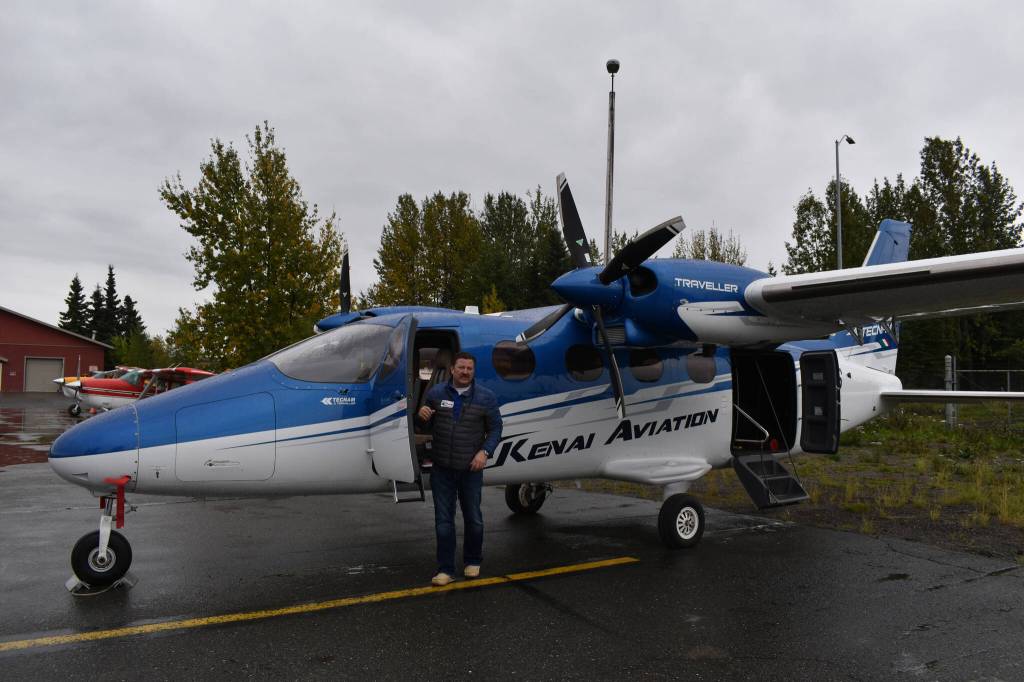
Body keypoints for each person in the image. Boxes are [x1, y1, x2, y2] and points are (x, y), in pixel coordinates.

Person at [417, 351, 502, 586]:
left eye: (469, 369)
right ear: (452, 369)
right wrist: (421, 416)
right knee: (443, 522)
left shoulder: (486, 397)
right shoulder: (435, 394)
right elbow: (424, 424)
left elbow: (496, 429)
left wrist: (484, 452)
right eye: (461, 367)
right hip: (442, 469)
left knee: (473, 518)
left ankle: (473, 561)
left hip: (470, 470)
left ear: (473, 372)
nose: (465, 372)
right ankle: (445, 569)